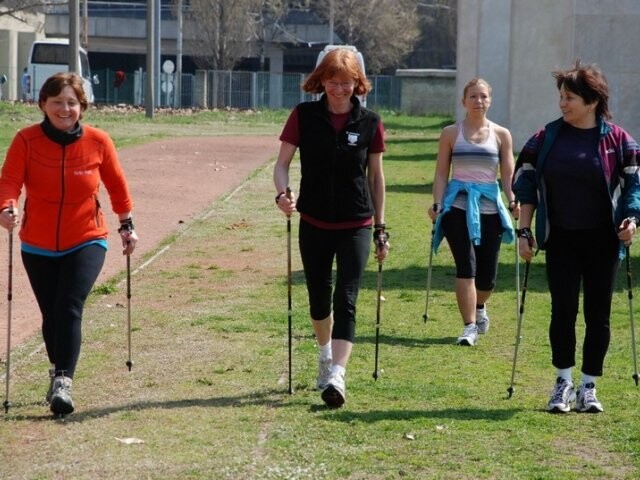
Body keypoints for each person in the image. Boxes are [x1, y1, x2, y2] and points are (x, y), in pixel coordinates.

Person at [0, 72, 139, 416]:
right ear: (43, 105)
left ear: (82, 107)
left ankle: (64, 380)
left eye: (72, 103)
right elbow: (9, 182)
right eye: (57, 102)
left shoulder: (98, 141)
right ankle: (56, 368)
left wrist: (126, 224)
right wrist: (7, 208)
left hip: (87, 238)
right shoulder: (26, 141)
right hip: (37, 243)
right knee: (51, 314)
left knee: (69, 305)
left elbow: (117, 185)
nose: (65, 109)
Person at [513, 61, 640, 413]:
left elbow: (634, 185)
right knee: (563, 311)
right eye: (561, 97)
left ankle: (589, 386)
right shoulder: (544, 138)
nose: (562, 104)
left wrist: (631, 220)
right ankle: (563, 382)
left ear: (592, 101)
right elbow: (525, 184)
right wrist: (524, 230)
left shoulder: (618, 140)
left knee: (598, 314)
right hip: (562, 240)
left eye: (569, 98)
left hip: (603, 240)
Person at [273, 48, 388, 408]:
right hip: (315, 220)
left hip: (357, 221)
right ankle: (325, 355)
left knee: (347, 297)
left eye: (347, 83)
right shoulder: (304, 116)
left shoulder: (370, 122)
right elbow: (281, 165)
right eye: (333, 82)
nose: (339, 90)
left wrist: (381, 226)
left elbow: (376, 177)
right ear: (321, 81)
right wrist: (282, 194)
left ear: (358, 83)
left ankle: (338, 373)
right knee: (319, 298)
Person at [428, 78, 517, 347]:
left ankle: (479, 306)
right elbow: (442, 172)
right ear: (463, 101)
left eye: (483, 97)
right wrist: (438, 202)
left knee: (487, 277)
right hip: (457, 206)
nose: (478, 101)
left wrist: (513, 199)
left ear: (489, 100)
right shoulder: (450, 133)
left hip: (490, 208)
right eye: (473, 97)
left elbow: (508, 174)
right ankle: (469, 327)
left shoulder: (502, 134)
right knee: (466, 267)